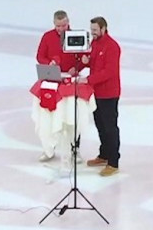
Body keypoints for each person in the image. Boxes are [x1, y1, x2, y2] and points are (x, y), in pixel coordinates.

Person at [32, 10, 91, 162]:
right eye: (58, 26)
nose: (61, 29)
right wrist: (49, 63)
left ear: (68, 22)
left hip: (71, 81)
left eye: (64, 25)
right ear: (54, 24)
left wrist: (77, 68)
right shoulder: (47, 37)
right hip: (53, 78)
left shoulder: (76, 37)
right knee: (47, 115)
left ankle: (75, 149)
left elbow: (85, 58)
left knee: (73, 116)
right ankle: (48, 148)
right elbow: (40, 56)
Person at [80, 16, 123, 176]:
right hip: (96, 93)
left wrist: (88, 79)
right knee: (100, 125)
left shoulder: (112, 47)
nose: (93, 33)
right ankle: (104, 154)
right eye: (92, 30)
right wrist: (85, 62)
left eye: (95, 30)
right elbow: (94, 61)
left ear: (104, 28)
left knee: (110, 128)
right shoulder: (95, 43)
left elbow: (109, 71)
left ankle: (113, 162)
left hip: (109, 94)